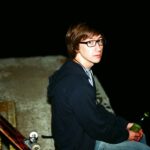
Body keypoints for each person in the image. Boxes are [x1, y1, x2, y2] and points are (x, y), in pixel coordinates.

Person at [47, 22, 150, 150]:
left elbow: (95, 109)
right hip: (81, 145)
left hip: (82, 135)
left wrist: (124, 124)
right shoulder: (78, 85)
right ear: (75, 47)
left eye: (100, 41)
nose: (98, 48)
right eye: (90, 43)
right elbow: (97, 128)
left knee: (141, 136)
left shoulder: (77, 69)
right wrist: (126, 134)